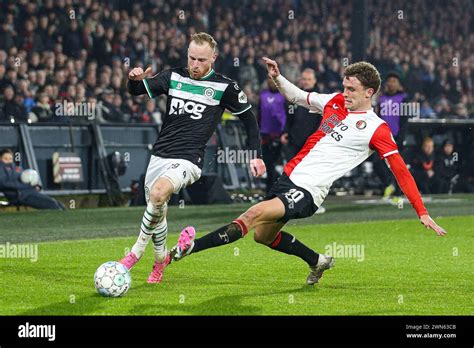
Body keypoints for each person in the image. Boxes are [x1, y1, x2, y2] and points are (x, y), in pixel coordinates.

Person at [169, 57, 447, 285]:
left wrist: (421, 211)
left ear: (369, 92)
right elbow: (299, 97)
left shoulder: (377, 129)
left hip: (309, 191)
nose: (345, 93)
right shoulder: (335, 102)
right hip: (289, 178)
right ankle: (318, 261)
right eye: (345, 87)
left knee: (251, 215)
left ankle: (187, 249)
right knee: (262, 236)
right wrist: (278, 77)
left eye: (352, 89)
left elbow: (401, 172)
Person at [119, 32, 266, 283]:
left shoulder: (225, 87)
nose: (195, 65)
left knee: (157, 194)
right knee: (158, 211)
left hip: (189, 160)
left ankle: (134, 253)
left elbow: (250, 122)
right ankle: (160, 262)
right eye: (191, 59)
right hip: (160, 155)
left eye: (200, 60)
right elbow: (136, 91)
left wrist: (256, 155)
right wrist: (133, 79)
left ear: (213, 58)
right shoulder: (173, 76)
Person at [280, 68, 322, 160]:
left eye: (309, 79)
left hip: (311, 144)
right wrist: (285, 132)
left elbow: (322, 122)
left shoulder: (320, 99)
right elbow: (289, 117)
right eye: (304, 79)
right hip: (294, 142)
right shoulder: (295, 96)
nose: (306, 82)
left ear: (314, 81)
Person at [259, 77, 287, 193]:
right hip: (265, 134)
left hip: (280, 135)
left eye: (273, 80)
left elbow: (288, 115)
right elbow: (259, 114)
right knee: (268, 164)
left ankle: (278, 189)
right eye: (269, 80)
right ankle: (270, 190)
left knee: (278, 164)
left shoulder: (284, 96)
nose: (271, 82)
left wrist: (286, 131)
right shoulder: (263, 96)